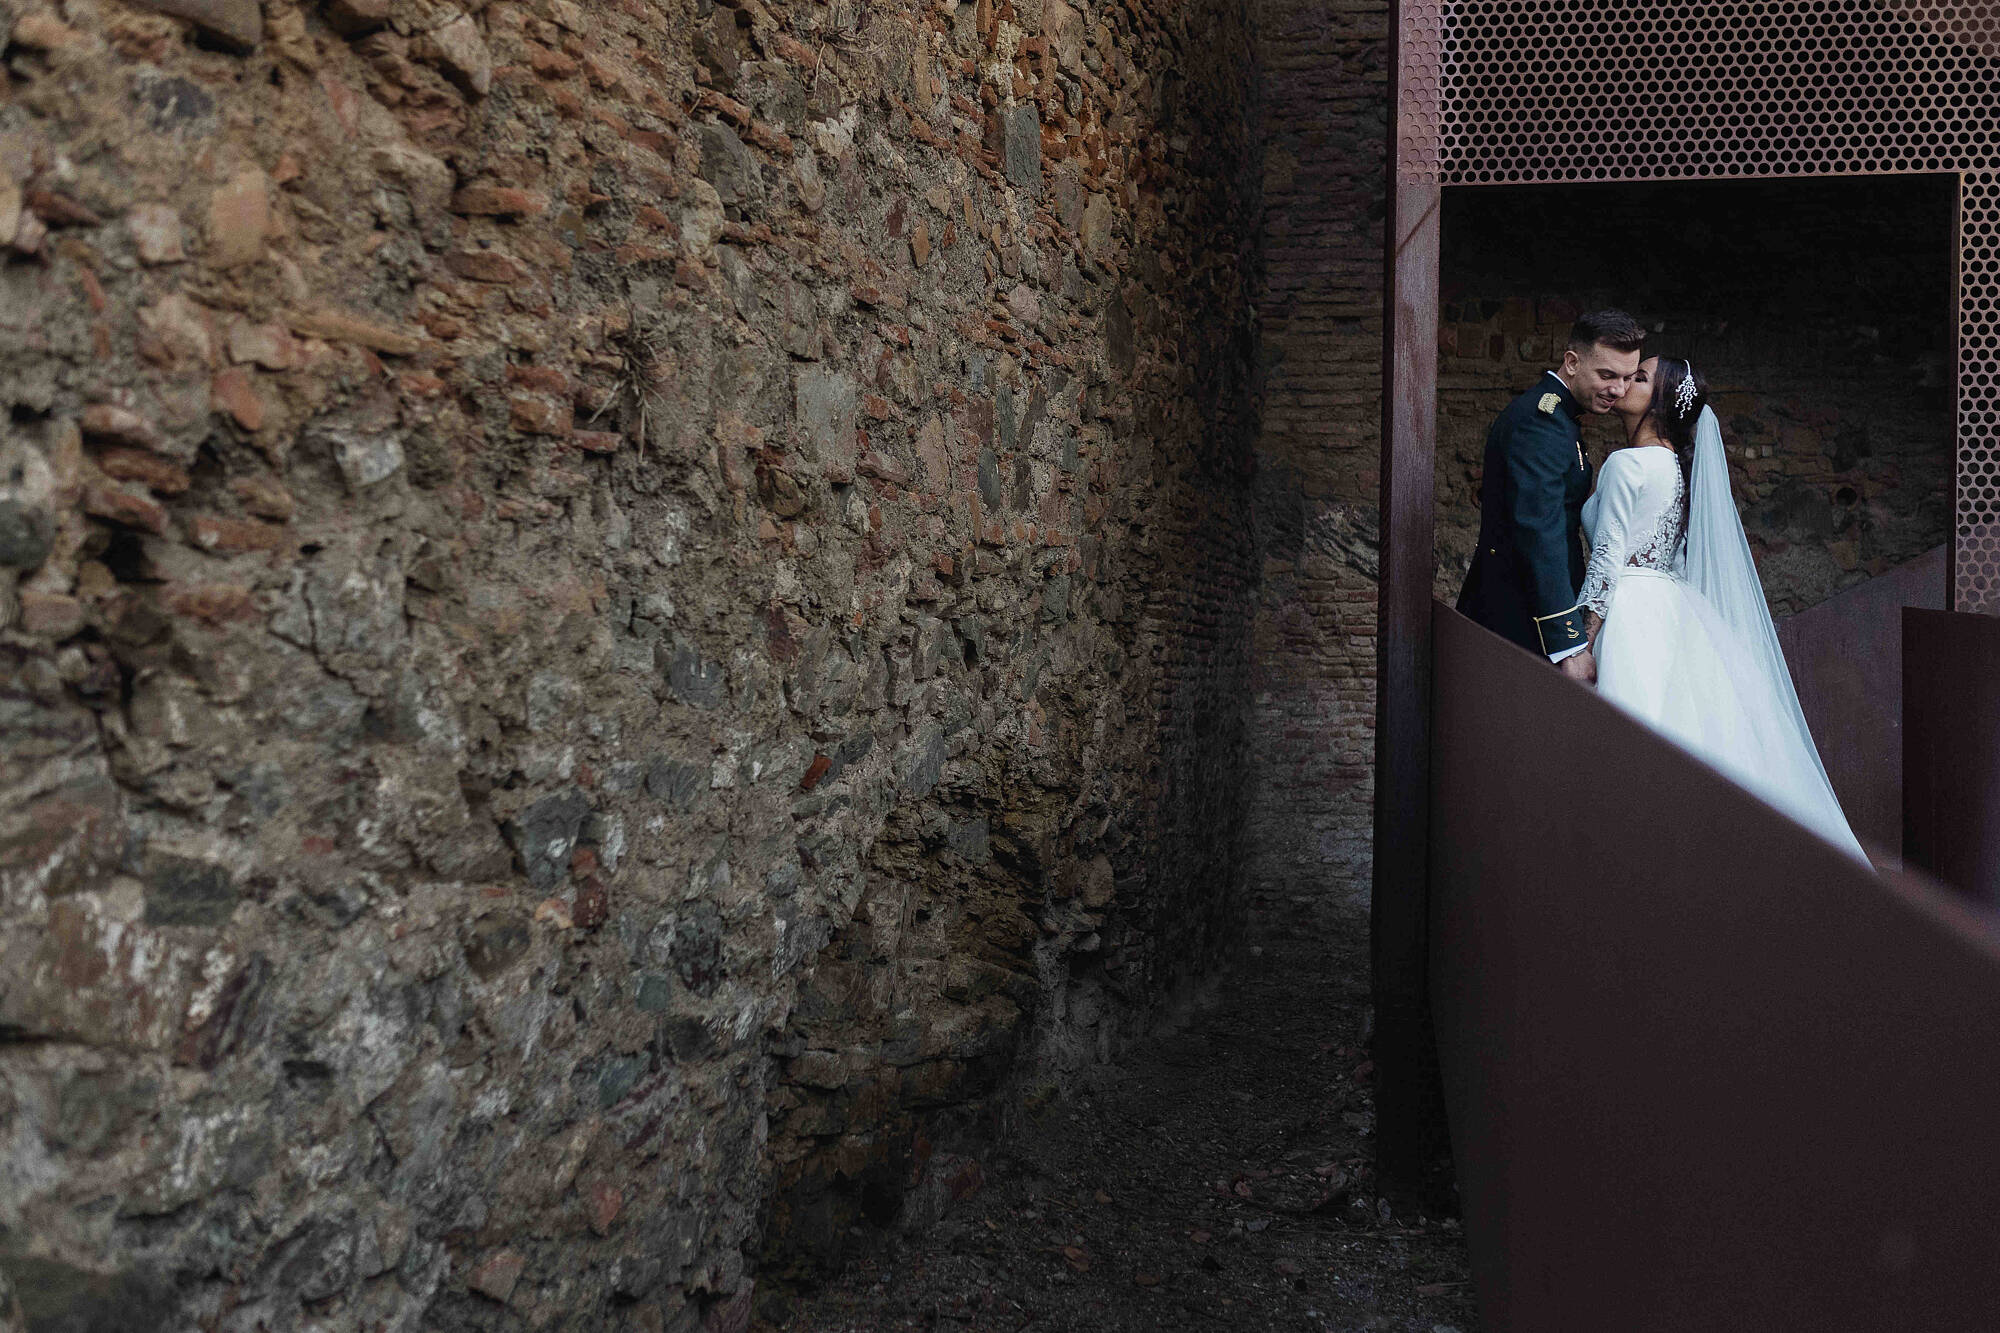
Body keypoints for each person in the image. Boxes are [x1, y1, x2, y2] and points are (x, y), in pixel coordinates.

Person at [1581, 355, 1869, 863]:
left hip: (1629, 611)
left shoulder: (1627, 464)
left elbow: (1606, 560)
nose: (1625, 382)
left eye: (1640, 378)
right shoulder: (1675, 468)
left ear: (1662, 402)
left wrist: (1582, 641)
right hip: (1669, 609)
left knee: (1630, 750)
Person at [1457, 309, 1647, 683]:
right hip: (1519, 621)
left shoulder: (1560, 417)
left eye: (1627, 377)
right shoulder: (1540, 423)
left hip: (1529, 615)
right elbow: (1539, 532)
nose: (1619, 389)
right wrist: (1569, 643)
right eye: (1607, 375)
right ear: (1572, 363)